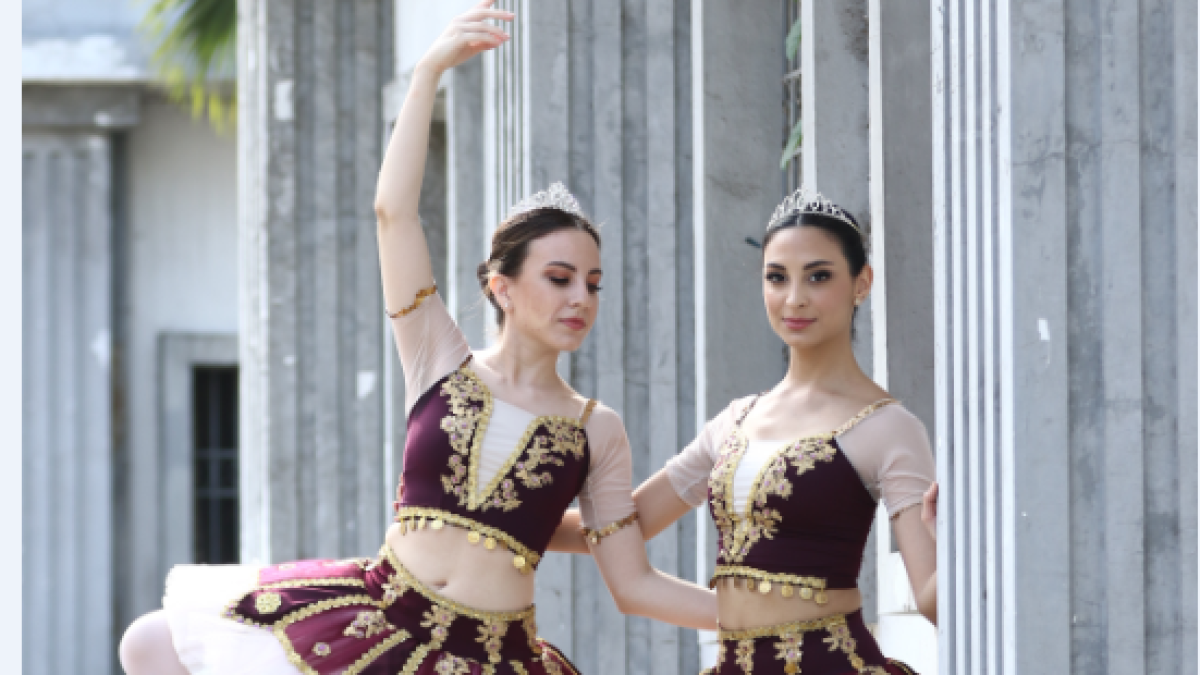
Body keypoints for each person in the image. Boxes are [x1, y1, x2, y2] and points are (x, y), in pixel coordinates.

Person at [118, 3, 716, 673]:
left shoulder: (594, 428)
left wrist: (762, 613)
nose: (580, 296)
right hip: (381, 618)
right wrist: (428, 71)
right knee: (149, 641)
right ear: (502, 286)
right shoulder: (439, 358)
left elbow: (631, 581)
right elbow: (392, 213)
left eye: (594, 283)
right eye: (559, 277)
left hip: (493, 656)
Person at [556, 187, 939, 674]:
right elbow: (627, 525)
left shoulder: (889, 427)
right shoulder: (735, 420)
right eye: (777, 278)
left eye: (818, 276)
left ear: (861, 283)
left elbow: (931, 601)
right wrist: (514, 523)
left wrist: (962, 542)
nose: (794, 298)